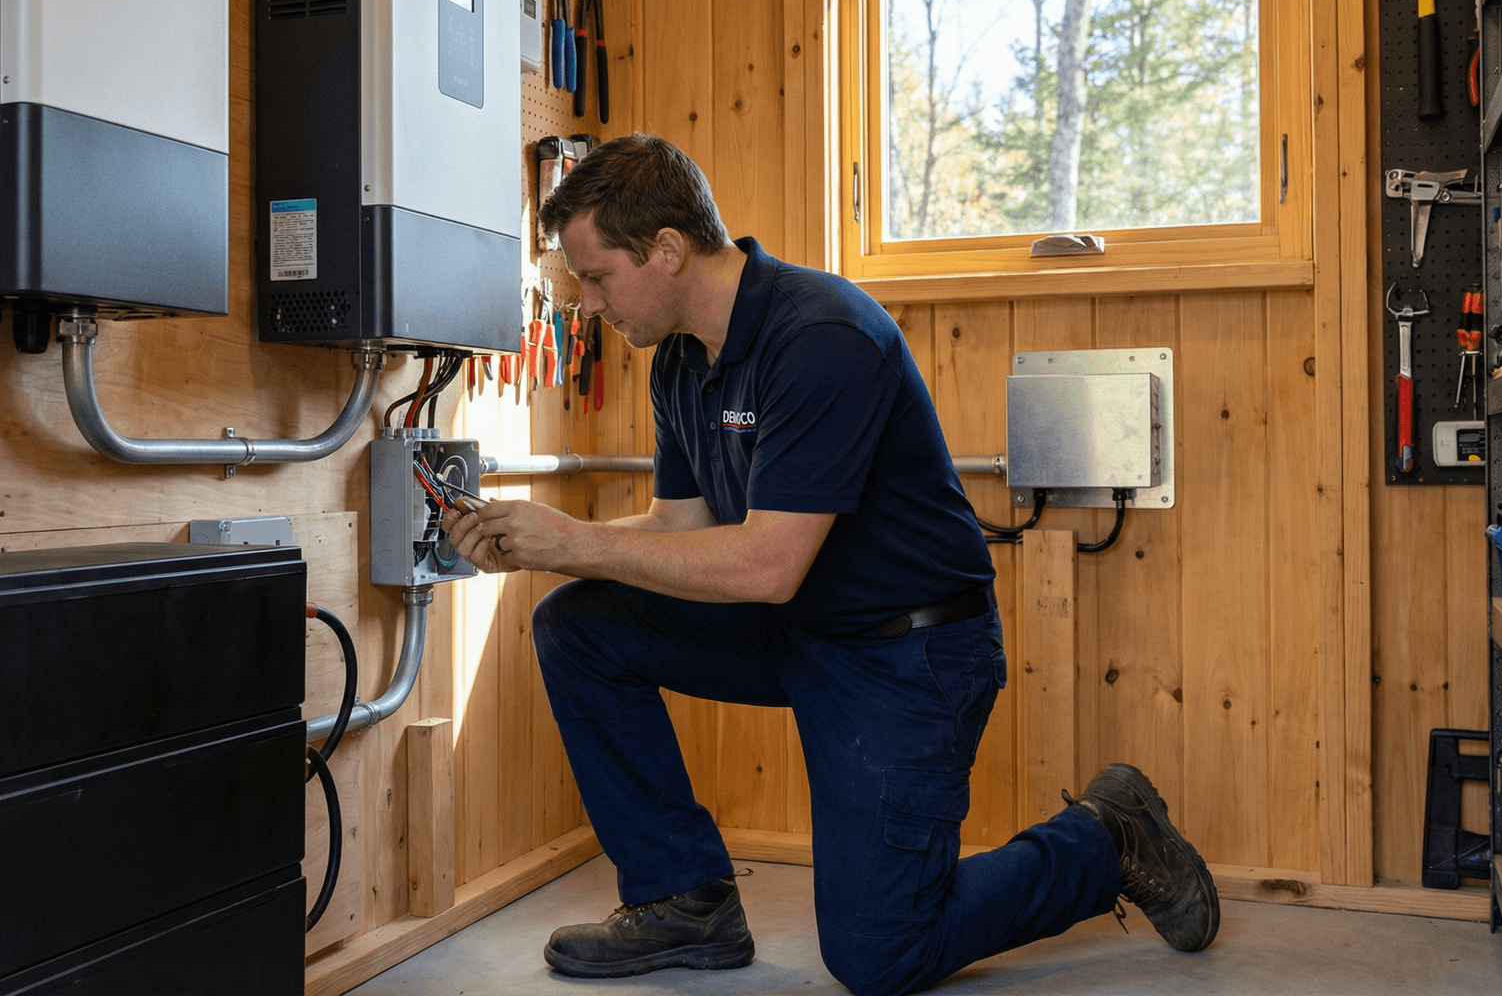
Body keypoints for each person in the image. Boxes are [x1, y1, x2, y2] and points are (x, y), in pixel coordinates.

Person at [436, 133, 1218, 995]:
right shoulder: (680, 364)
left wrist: (574, 542)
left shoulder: (821, 334)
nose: (584, 304)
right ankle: (682, 900)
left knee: (881, 955)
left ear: (665, 250)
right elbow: (679, 525)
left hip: (908, 655)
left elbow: (768, 565)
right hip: (798, 629)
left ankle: (1107, 839)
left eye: (596, 277)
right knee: (579, 625)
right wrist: (538, 541)